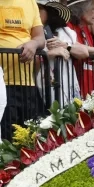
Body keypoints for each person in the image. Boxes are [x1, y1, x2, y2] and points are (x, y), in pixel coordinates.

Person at [0, 0, 45, 139]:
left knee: (28, 139)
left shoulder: (30, 2)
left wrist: (33, 43)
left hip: (26, 82)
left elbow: (40, 38)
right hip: (2, 83)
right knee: (5, 138)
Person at [37, 0, 83, 106]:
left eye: (40, 8)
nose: (35, 11)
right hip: (43, 86)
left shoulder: (66, 32)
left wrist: (65, 46)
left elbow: (83, 52)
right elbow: (29, 63)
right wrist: (48, 54)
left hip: (67, 81)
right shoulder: (32, 33)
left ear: (50, 11)